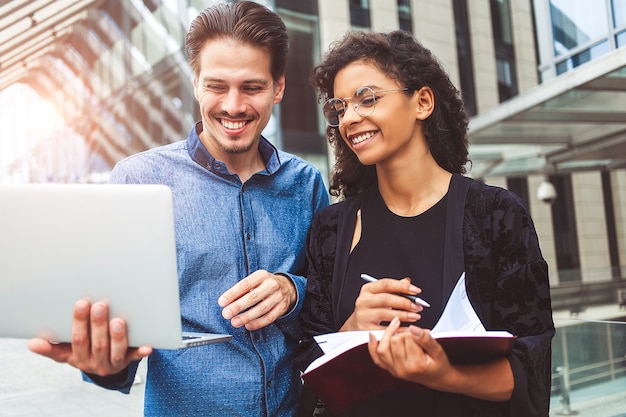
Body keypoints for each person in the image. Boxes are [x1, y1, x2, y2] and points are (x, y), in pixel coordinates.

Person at [28, 2, 329, 416]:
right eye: (217, 86)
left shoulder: (306, 184)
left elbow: (327, 308)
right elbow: (116, 322)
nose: (234, 105)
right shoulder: (138, 180)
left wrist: (293, 291)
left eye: (252, 87)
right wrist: (105, 363)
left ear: (278, 88)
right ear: (195, 83)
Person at [294, 30, 554, 417]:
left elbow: (531, 371)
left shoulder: (496, 214)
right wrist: (351, 330)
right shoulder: (330, 229)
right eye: (340, 107)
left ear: (423, 102)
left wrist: (443, 373)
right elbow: (309, 371)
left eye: (367, 98)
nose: (349, 118)